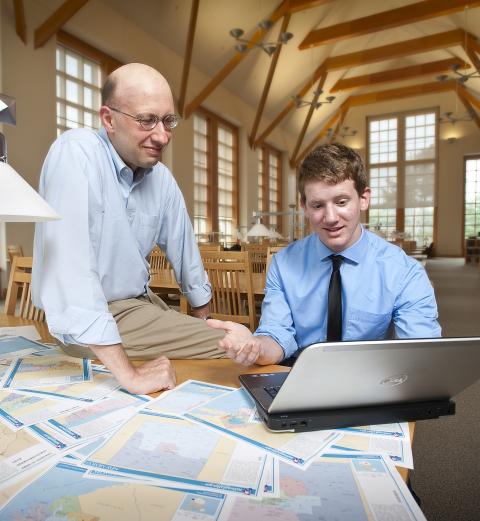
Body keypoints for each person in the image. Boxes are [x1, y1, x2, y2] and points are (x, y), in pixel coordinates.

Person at [32, 63, 224, 394]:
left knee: (218, 340)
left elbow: (187, 257)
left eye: (168, 121)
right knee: (234, 343)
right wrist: (130, 376)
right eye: (146, 120)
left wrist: (200, 321)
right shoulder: (76, 152)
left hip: (140, 305)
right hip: (93, 318)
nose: (162, 136)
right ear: (109, 119)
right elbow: (72, 275)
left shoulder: (161, 178)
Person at [207, 143, 441, 365]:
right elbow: (277, 335)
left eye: (341, 201)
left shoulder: (404, 271)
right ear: (304, 206)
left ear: (364, 199)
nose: (330, 218)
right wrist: (255, 346)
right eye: (318, 205)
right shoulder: (283, 264)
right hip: (299, 373)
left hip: (367, 378)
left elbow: (421, 353)